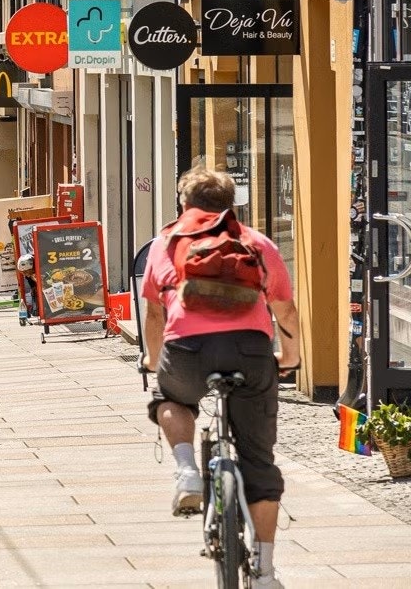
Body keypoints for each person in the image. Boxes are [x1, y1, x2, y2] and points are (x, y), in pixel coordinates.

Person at [142, 168, 299, 589]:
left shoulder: (167, 243)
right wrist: (290, 357)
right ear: (232, 204)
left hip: (188, 352)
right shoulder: (254, 242)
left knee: (169, 399)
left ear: (183, 204)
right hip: (250, 352)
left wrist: (154, 363)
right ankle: (264, 573)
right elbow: (285, 309)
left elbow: (155, 314)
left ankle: (187, 471)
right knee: (260, 465)